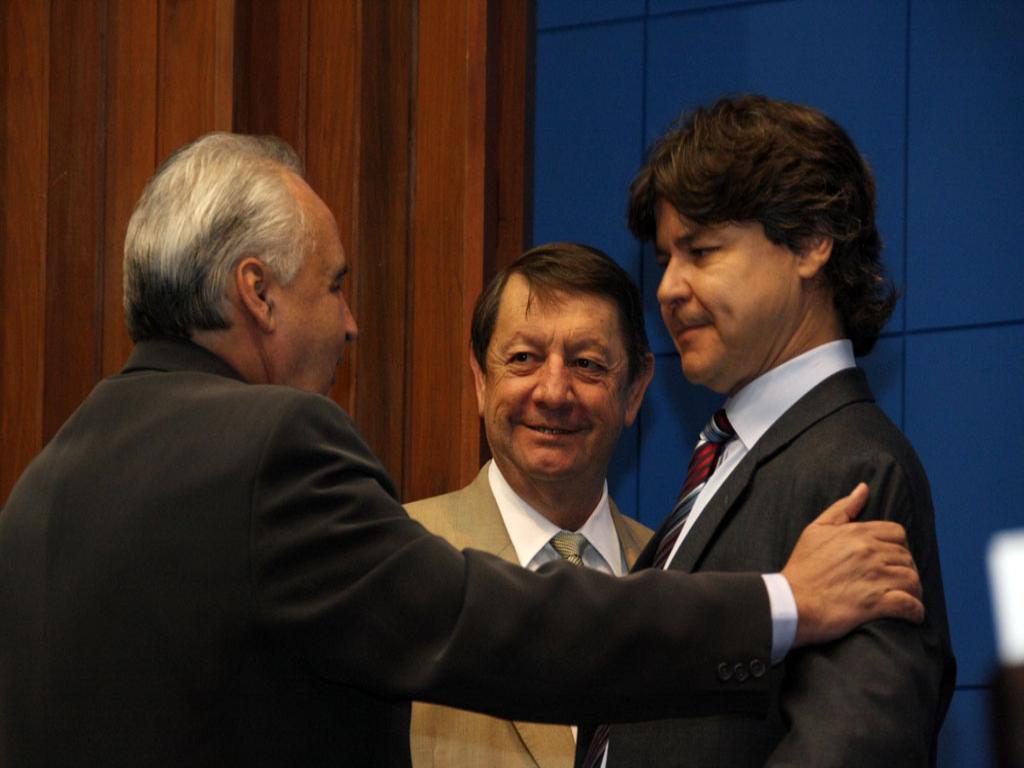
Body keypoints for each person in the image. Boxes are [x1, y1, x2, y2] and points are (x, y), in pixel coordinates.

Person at [0, 132, 924, 768]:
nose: (350, 324)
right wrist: (783, 602)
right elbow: (483, 620)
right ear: (258, 292)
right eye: (334, 285)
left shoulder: (42, 485)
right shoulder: (272, 444)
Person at [578, 95, 956, 768]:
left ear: (809, 242)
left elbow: (854, 748)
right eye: (665, 259)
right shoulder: (730, 455)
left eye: (701, 251)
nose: (667, 289)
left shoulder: (854, 468)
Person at [407, 243, 655, 768]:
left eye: (587, 364)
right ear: (481, 379)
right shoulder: (397, 560)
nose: (554, 392)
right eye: (524, 359)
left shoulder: (677, 573)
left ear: (634, 391)